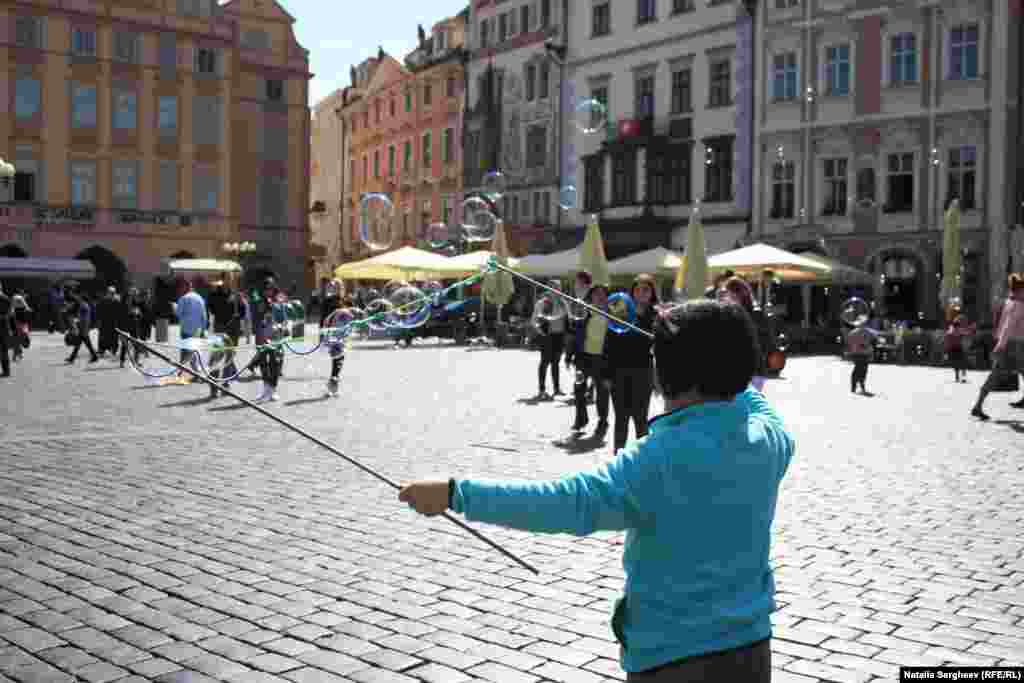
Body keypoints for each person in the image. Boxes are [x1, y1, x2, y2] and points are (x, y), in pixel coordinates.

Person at [400, 299, 794, 683]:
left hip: (672, 657)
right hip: (751, 651)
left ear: (665, 369)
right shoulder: (770, 437)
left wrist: (457, 493)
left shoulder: (657, 459)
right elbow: (749, 395)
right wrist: (721, 357)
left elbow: (566, 502)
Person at [606, 274, 658, 453]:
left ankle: (640, 460)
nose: (642, 293)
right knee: (621, 418)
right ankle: (618, 458)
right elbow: (609, 343)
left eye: (646, 289)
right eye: (638, 289)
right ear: (632, 292)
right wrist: (606, 374)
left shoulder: (657, 315)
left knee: (641, 419)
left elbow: (662, 344)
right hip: (619, 371)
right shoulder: (621, 310)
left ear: (652, 293)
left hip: (643, 372)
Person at [972, 274, 1024, 420]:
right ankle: (977, 406)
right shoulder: (1018, 305)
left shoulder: (1008, 302)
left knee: (996, 375)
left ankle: (978, 405)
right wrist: (1001, 346)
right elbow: (1007, 327)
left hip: (1011, 344)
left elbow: (1001, 325)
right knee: (995, 375)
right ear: (1020, 290)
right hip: (1013, 345)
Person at [717, 277, 768, 393]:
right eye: (725, 294)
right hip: (737, 371)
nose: (727, 297)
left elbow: (761, 341)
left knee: (749, 405)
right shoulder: (727, 314)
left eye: (729, 294)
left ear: (739, 294)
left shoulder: (754, 314)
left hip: (753, 370)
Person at [572, 284, 611, 433]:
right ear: (591, 296)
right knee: (578, 388)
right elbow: (576, 334)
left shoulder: (611, 314)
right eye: (596, 293)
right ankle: (581, 418)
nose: (600, 296)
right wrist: (571, 355)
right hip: (584, 357)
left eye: (603, 294)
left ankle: (602, 422)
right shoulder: (585, 312)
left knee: (602, 392)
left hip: (603, 358)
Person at [251, 277, 288, 402]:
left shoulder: (279, 300)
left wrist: (282, 328)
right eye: (266, 289)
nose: (269, 291)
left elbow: (283, 318)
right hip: (262, 335)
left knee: (275, 363)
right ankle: (266, 387)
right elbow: (257, 317)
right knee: (263, 362)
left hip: (275, 336)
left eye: (271, 288)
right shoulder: (260, 301)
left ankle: (273, 388)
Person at [206, 279, 242, 398]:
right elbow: (242, 313)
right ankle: (219, 386)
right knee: (222, 358)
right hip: (226, 329)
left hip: (223, 328)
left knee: (221, 358)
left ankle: (221, 386)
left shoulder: (215, 295)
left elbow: (210, 308)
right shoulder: (235, 296)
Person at [531, 281, 568, 398]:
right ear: (548, 289)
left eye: (558, 288)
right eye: (553, 288)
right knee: (545, 363)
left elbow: (569, 317)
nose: (556, 290)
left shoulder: (563, 303)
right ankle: (542, 390)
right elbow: (534, 320)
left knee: (556, 363)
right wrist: (540, 332)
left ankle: (556, 389)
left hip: (559, 335)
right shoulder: (542, 303)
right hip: (547, 336)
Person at [175, 281, 208, 374]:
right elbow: (204, 315)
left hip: (186, 328)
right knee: (194, 350)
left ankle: (181, 370)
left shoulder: (183, 298)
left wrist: (175, 307)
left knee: (185, 350)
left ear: (185, 288)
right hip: (197, 329)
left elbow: (178, 313)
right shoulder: (200, 298)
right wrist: (204, 328)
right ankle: (196, 371)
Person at [65, 290, 99, 364]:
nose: (78, 299)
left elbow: (84, 318)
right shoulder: (84, 305)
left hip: (83, 327)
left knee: (82, 344)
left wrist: (77, 321)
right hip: (83, 327)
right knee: (82, 344)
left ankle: (72, 358)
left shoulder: (84, 306)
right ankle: (93, 356)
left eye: (80, 298)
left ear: (82, 299)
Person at [846, 317, 879, 394]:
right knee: (862, 369)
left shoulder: (853, 332)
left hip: (857, 353)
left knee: (858, 369)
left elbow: (848, 342)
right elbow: (875, 337)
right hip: (863, 353)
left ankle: (854, 386)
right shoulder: (868, 332)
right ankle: (860, 385)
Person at [119, 288, 147, 368]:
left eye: (135, 295)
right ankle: (122, 361)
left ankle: (136, 361)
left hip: (134, 325)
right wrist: (133, 312)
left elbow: (140, 314)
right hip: (125, 326)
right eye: (133, 294)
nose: (135, 296)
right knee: (125, 344)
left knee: (136, 343)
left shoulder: (136, 303)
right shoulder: (124, 303)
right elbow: (122, 314)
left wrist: (138, 314)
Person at [944, 313, 976, 383]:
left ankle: (959, 377)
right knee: (960, 364)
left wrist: (971, 329)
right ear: (957, 326)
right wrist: (971, 328)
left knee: (959, 364)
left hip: (956, 349)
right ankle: (959, 377)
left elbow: (967, 333)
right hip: (955, 349)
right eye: (958, 326)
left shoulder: (952, 331)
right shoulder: (952, 331)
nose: (959, 327)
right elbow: (967, 333)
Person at [96, 286, 120, 358]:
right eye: (111, 293)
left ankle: (113, 350)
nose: (112, 294)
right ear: (107, 293)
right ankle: (102, 350)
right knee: (103, 336)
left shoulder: (116, 301)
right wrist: (98, 322)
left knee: (114, 337)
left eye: (113, 293)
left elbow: (119, 313)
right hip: (104, 322)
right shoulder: (103, 301)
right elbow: (98, 312)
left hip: (114, 323)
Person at [10, 290, 32, 362]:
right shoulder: (18, 297)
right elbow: (27, 308)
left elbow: (12, 308)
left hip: (17, 318)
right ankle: (18, 353)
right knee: (20, 334)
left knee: (16, 336)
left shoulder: (16, 297)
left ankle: (17, 353)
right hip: (20, 318)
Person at [0, 282, 12, 377]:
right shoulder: (7, 299)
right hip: (4, 326)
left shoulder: (6, 299)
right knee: (4, 350)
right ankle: (6, 371)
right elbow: (10, 314)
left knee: (4, 350)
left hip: (3, 325)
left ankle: (6, 371)